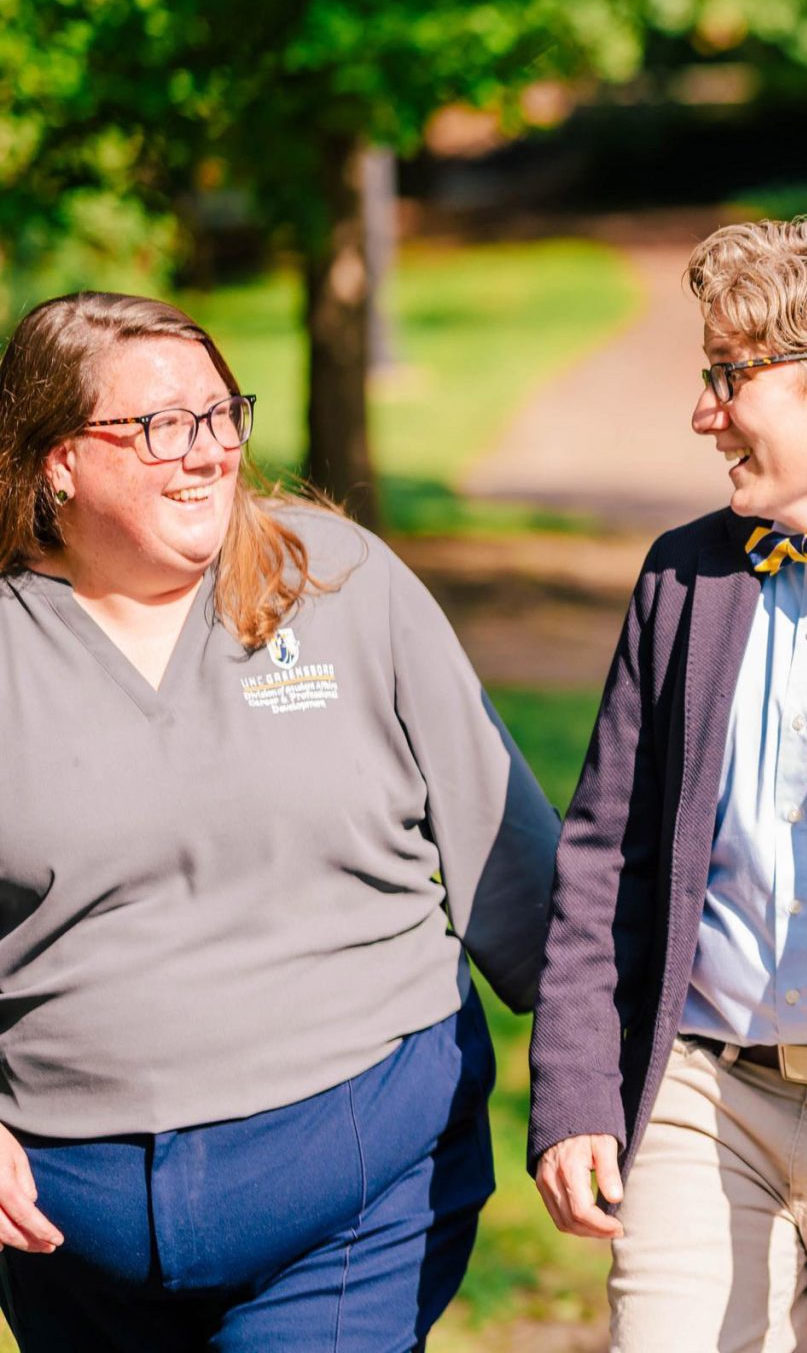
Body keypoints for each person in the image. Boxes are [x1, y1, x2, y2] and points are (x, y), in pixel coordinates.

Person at [0, 291, 558, 1349]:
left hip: (352, 1182)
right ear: (58, 459)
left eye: (221, 416)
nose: (207, 452)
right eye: (162, 426)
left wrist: (600, 1083)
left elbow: (512, 862)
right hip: (65, 1227)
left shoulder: (339, 584)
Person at [525, 212, 807, 1353]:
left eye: (730, 376)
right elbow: (606, 853)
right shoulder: (684, 578)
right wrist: (578, 1088)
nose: (702, 411)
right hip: (702, 1090)